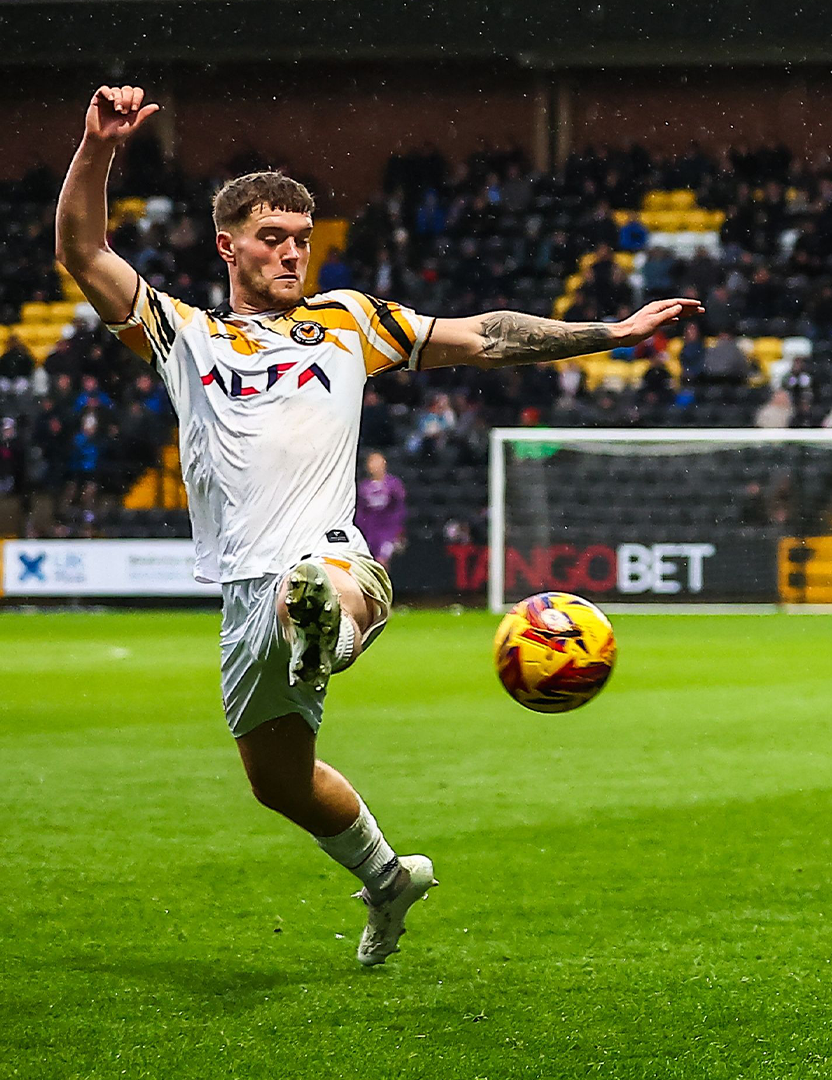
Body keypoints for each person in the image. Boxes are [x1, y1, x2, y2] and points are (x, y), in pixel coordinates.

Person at [56, 86, 701, 966]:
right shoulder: (184, 335)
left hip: (328, 555)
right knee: (276, 783)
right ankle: (389, 875)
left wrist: (612, 332)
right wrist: (98, 147)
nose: (292, 252)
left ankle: (334, 628)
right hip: (243, 590)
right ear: (227, 246)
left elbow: (488, 337)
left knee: (315, 589)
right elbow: (82, 248)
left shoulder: (349, 321)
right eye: (272, 238)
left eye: (301, 238)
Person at [355, 451, 407, 566]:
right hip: (370, 530)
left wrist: (398, 531)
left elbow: (399, 508)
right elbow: (361, 512)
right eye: (371, 462)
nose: (374, 466)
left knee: (382, 560)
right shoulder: (364, 487)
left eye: (377, 461)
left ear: (384, 463)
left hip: (388, 530)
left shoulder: (393, 484)